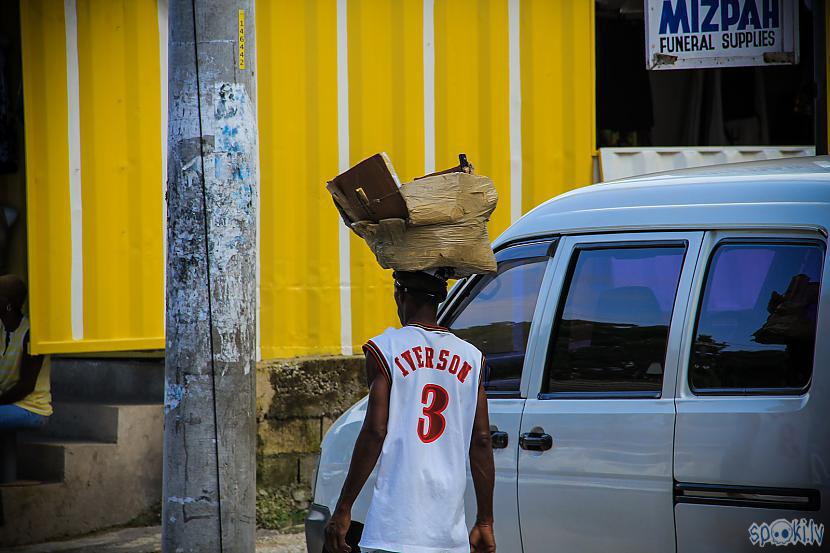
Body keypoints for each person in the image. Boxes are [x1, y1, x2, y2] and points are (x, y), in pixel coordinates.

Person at [325, 270, 496, 553]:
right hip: (447, 534)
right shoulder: (472, 357)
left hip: (394, 527)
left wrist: (344, 507)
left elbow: (375, 431)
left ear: (400, 295)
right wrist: (485, 521)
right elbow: (481, 440)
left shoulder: (385, 349)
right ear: (441, 299)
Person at [0, 274, 51, 430]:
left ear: (8, 305)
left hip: (31, 407)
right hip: (8, 402)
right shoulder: (2, 329)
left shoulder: (30, 335)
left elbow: (26, 386)